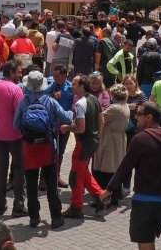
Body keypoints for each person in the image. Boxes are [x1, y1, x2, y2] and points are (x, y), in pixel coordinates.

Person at [101, 102, 161, 250]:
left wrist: (109, 189)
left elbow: (125, 168)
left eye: (139, 114)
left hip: (145, 199)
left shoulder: (140, 139)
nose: (135, 117)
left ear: (149, 117)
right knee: (148, 239)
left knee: (145, 241)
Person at [13, 70, 72, 229]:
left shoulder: (23, 102)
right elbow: (66, 118)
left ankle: (34, 217)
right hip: (48, 147)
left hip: (29, 148)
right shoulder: (50, 101)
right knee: (52, 184)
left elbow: (15, 125)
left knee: (31, 185)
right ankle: (56, 217)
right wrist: (73, 111)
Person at [0, 60, 26, 217]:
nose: (20, 75)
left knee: (1, 171)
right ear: (11, 72)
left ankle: (0, 206)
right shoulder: (16, 89)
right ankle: (19, 205)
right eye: (18, 72)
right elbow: (20, 114)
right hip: (15, 136)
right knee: (19, 170)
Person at [62, 75, 105, 219]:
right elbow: (102, 121)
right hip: (92, 142)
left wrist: (67, 128)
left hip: (84, 143)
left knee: (75, 176)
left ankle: (76, 207)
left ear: (82, 86)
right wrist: (98, 137)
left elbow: (80, 128)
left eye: (74, 84)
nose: (71, 86)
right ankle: (100, 196)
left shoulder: (80, 103)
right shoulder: (94, 99)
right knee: (83, 172)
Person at [94, 84, 130, 202]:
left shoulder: (115, 108)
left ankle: (106, 197)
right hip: (118, 138)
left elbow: (100, 118)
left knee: (107, 168)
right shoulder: (125, 106)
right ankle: (116, 195)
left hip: (110, 140)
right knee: (115, 167)